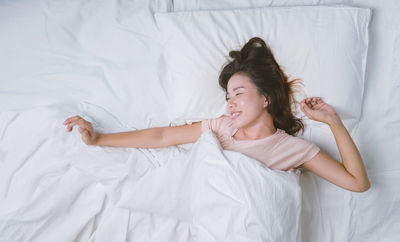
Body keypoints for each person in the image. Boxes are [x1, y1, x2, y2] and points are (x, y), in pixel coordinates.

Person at [63, 37, 370, 193]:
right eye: (227, 97)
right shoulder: (219, 128)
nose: (230, 104)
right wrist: (100, 138)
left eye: (238, 94)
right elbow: (163, 135)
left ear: (265, 99)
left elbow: (358, 183)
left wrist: (333, 122)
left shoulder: (293, 149)